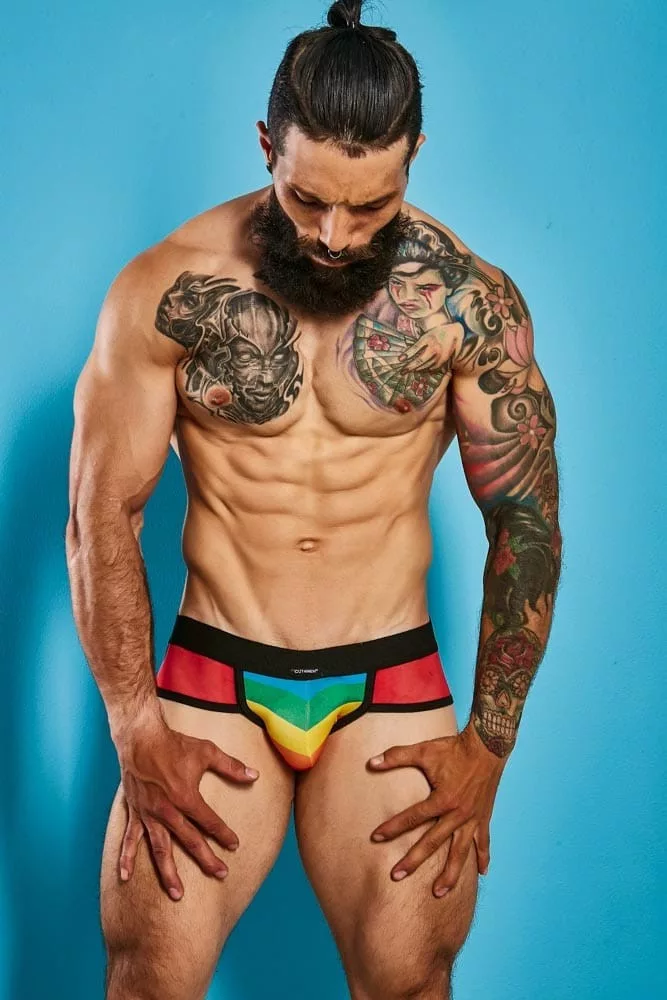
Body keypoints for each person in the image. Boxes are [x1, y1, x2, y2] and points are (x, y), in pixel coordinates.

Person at [65, 1, 563, 997]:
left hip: (389, 682)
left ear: (414, 157)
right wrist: (133, 727)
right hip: (214, 676)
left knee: (408, 976)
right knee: (149, 973)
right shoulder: (168, 288)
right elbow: (100, 515)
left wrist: (489, 747)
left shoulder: (468, 303)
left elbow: (524, 520)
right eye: (307, 200)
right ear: (266, 147)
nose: (335, 236)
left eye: (370, 208)